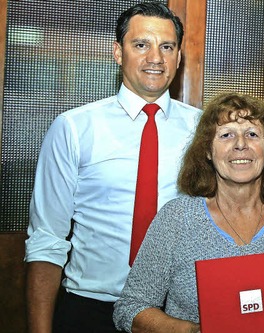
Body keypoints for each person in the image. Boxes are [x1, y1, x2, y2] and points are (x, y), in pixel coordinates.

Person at [24, 3, 201, 332]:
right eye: (140, 45)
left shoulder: (204, 129)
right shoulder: (74, 128)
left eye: (167, 46)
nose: (155, 58)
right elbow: (47, 239)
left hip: (175, 314)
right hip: (89, 310)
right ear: (118, 53)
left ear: (179, 57)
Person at [112, 92, 264, 333]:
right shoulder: (177, 218)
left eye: (252, 134)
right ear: (207, 151)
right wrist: (193, 331)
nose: (240, 144)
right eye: (226, 135)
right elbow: (131, 307)